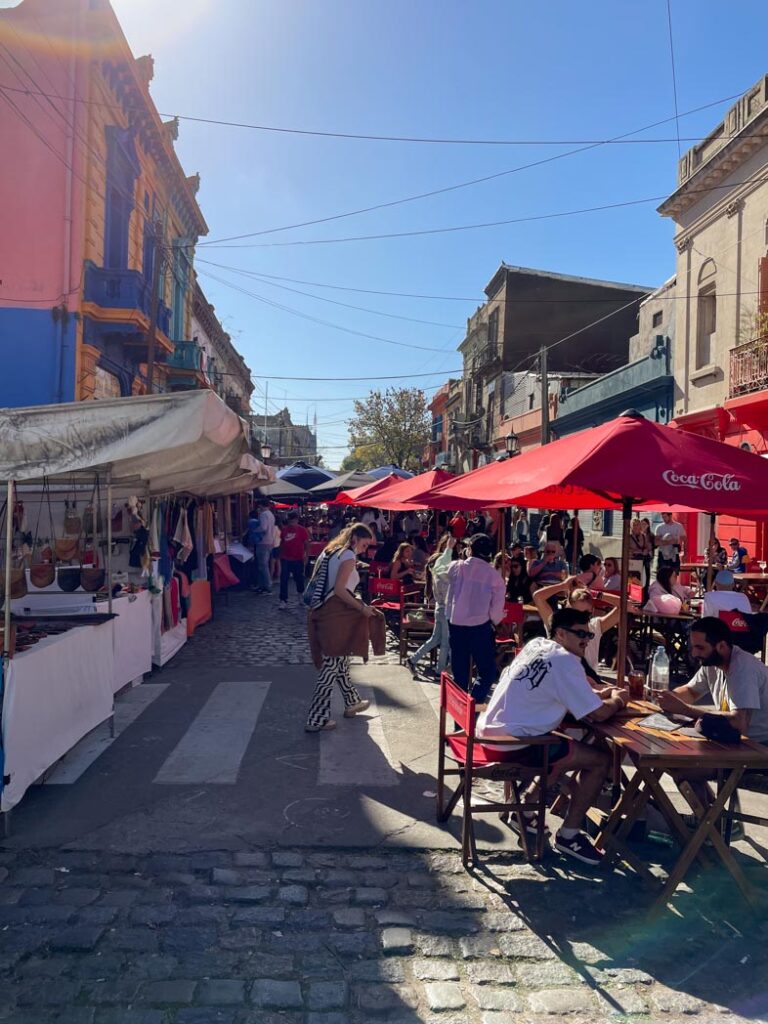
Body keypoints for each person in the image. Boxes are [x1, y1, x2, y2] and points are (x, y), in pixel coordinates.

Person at [478, 607, 630, 866]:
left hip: (491, 733)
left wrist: (598, 695)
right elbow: (599, 715)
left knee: (568, 743)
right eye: (580, 633)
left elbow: (565, 693)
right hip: (514, 744)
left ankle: (527, 807)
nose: (586, 639)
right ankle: (569, 835)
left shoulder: (537, 644)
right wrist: (617, 700)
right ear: (560, 633)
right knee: (599, 759)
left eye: (589, 634)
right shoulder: (566, 662)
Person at [658, 617, 768, 809]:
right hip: (735, 743)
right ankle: (713, 822)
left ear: (722, 646)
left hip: (759, 750)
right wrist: (664, 698)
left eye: (700, 648)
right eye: (693, 647)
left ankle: (709, 827)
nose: (694, 653)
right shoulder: (713, 663)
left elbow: (739, 722)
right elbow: (691, 692)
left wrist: (684, 710)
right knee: (673, 759)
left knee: (681, 768)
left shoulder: (743, 668)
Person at [305, 523, 384, 732]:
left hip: (323, 612)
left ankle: (352, 702)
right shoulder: (348, 555)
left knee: (339, 661)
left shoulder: (331, 551)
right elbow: (340, 590)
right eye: (365, 544)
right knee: (331, 666)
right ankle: (316, 719)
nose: (365, 550)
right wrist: (362, 608)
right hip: (335, 614)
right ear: (355, 539)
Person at [445, 533, 506, 705]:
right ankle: (473, 702)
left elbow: (439, 570)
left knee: (460, 675)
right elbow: (496, 609)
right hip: (480, 627)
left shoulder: (456, 567)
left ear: (470, 549)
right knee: (487, 672)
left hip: (456, 625)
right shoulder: (494, 576)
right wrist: (496, 619)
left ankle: (461, 717)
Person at [532, 576, 623, 675]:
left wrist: (595, 594)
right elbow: (537, 597)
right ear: (568, 609)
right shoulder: (557, 624)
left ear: (592, 610)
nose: (581, 618)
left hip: (588, 682)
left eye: (585, 614)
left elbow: (623, 606)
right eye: (576, 613)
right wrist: (563, 585)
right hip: (562, 682)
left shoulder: (595, 626)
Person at [408, 534, 456, 677]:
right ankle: (439, 670)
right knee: (445, 642)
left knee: (435, 639)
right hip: (445, 609)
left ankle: (413, 659)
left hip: (439, 608)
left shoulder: (435, 573)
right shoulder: (442, 574)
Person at [278, 511, 310, 610]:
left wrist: (306, 555)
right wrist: (280, 555)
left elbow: (306, 543)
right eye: (290, 521)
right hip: (286, 558)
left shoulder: (302, 530)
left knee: (299, 578)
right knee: (283, 579)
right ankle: (283, 600)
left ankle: (300, 596)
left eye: (293, 520)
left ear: (296, 520)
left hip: (298, 558)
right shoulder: (284, 530)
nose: (291, 522)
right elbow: (282, 543)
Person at [252, 500, 275, 593]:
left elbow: (263, 528)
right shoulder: (271, 514)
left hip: (263, 542)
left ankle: (267, 586)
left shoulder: (263, 514)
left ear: (261, 505)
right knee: (264, 564)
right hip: (270, 541)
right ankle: (263, 585)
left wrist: (255, 530)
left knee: (263, 565)